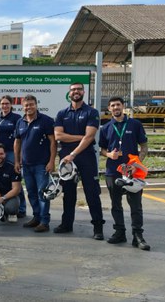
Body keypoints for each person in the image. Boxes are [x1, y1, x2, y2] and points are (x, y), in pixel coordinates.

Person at [54, 82, 105, 240]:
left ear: (83, 92)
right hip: (66, 157)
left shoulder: (92, 112)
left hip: (85, 157)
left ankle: (98, 228)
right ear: (69, 93)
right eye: (73, 90)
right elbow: (59, 136)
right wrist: (83, 138)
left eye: (78, 89)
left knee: (92, 193)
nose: (76, 92)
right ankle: (66, 224)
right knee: (68, 193)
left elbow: (90, 137)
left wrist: (74, 153)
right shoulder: (62, 113)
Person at [99, 97, 151, 250]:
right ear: (109, 108)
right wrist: (109, 155)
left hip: (132, 173)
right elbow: (101, 149)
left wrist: (137, 165)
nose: (116, 107)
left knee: (135, 205)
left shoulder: (135, 124)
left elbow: (144, 146)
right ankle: (119, 232)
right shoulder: (106, 127)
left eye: (118, 105)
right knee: (116, 204)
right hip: (112, 171)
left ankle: (138, 235)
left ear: (123, 107)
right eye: (113, 105)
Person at [13, 95, 56, 233]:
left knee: (42, 193)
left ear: (36, 105)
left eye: (31, 104)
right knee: (31, 193)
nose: (29, 107)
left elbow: (53, 142)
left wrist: (51, 161)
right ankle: (36, 217)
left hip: (41, 165)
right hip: (26, 165)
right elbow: (17, 142)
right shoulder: (20, 122)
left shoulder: (46, 121)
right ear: (22, 107)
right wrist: (17, 161)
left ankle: (44, 221)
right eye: (26, 105)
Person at [0, 95, 26, 218]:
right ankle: (3, 205)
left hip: (12, 152)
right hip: (0, 153)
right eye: (3, 104)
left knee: (16, 181)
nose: (5, 106)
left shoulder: (17, 118)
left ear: (11, 105)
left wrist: (19, 157)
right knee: (1, 180)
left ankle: (21, 208)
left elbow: (20, 138)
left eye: (7, 103)